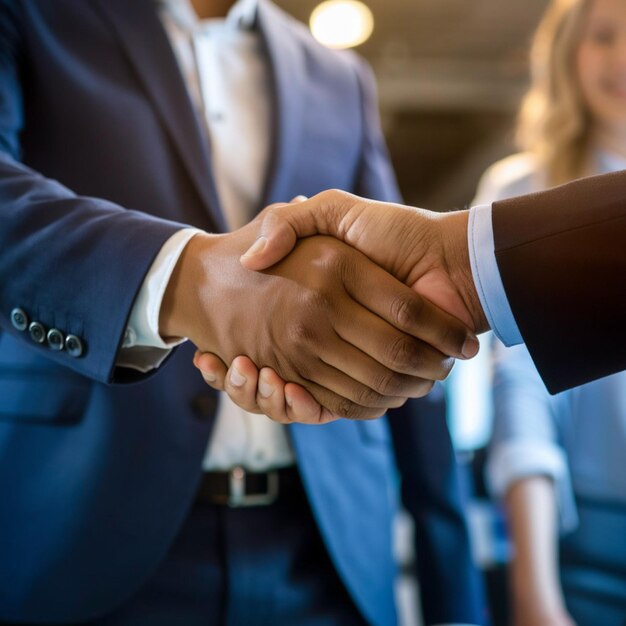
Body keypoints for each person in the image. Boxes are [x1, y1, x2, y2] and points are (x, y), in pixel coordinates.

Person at [0, 1, 485, 624]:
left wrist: (455, 597)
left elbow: (407, 309)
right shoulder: (31, 14)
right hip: (87, 533)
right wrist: (194, 282)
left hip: (327, 553)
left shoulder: (339, 77)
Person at [478, 0, 626, 624]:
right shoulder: (523, 196)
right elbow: (523, 394)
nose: (622, 57)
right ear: (570, 54)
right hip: (583, 544)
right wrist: (535, 592)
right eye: (604, 36)